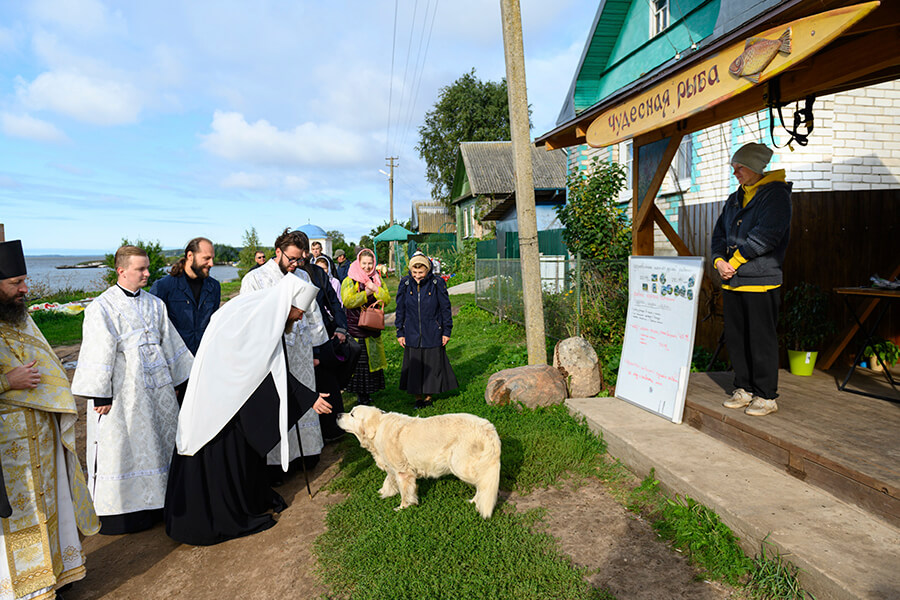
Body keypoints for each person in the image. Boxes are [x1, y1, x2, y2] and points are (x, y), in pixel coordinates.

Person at [165, 275, 332, 546]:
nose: (300, 318)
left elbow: (266, 369)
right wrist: (308, 398)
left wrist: (306, 396)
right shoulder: (255, 317)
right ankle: (224, 516)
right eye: (299, 312)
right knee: (222, 456)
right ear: (287, 305)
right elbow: (264, 372)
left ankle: (251, 500)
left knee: (244, 457)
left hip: (230, 397)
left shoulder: (259, 312)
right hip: (218, 404)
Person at [0, 240, 100, 599]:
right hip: (5, 453)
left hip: (39, 440)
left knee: (49, 508)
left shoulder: (21, 318)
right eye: (16, 283)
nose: (25, 289)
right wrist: (6, 382)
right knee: (15, 521)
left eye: (26, 280)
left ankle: (53, 578)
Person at [71, 245, 193, 534]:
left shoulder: (155, 304)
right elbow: (97, 350)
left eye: (147, 267)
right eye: (141, 269)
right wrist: (100, 392)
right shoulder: (102, 307)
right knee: (124, 446)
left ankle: (162, 504)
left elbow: (171, 343)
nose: (147, 273)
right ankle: (124, 512)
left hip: (158, 390)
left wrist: (182, 379)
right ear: (121, 270)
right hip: (123, 393)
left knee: (159, 444)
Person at [712, 142, 792, 417]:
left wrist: (732, 262)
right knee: (737, 338)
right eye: (734, 167)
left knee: (761, 339)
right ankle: (744, 388)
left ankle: (766, 396)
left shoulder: (776, 196)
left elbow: (767, 237)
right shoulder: (736, 198)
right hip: (732, 281)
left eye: (740, 166)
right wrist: (718, 261)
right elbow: (718, 235)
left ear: (756, 167)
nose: (736, 172)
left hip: (761, 280)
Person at [241, 229, 328, 473]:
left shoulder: (302, 275)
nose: (295, 264)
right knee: (278, 400)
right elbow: (250, 319)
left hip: (300, 350)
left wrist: (317, 350)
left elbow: (313, 314)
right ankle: (278, 463)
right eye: (291, 259)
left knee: (303, 395)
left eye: (299, 259)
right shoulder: (255, 279)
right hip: (271, 352)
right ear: (278, 251)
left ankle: (307, 451)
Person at [395, 253, 458, 409]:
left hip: (433, 331)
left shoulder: (437, 283)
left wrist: (446, 331)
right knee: (415, 366)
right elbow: (400, 309)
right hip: (411, 332)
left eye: (421, 273)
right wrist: (400, 332)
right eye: (414, 273)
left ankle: (428, 398)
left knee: (432, 365)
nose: (417, 276)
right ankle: (417, 398)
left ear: (427, 270)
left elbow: (445, 308)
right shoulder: (405, 283)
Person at [149, 237, 221, 355]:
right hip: (174, 361)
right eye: (206, 258)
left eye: (212, 258)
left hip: (203, 358)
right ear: (190, 256)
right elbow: (153, 330)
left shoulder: (214, 287)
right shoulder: (163, 287)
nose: (211, 264)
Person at [341, 249, 390, 406]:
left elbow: (387, 299)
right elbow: (348, 301)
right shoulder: (350, 280)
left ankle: (368, 394)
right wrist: (366, 293)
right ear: (358, 263)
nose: (368, 267)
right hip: (357, 328)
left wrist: (376, 289)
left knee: (371, 363)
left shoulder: (377, 279)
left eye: (370, 263)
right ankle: (361, 396)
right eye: (364, 264)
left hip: (373, 327)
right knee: (360, 364)